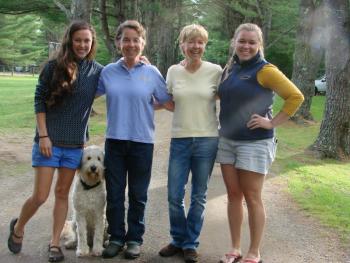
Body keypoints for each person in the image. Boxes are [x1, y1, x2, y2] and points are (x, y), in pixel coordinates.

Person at [7, 21, 103, 262]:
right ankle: (18, 227)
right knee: (40, 196)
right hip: (48, 142)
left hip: (75, 145)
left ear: (92, 44)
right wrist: (43, 135)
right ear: (70, 40)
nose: (82, 45)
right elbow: (39, 100)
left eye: (87, 41)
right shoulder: (53, 67)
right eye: (78, 40)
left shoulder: (98, 71)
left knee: (62, 193)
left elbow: (122, 74)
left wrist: (141, 62)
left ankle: (54, 244)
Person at [216, 23, 304, 263]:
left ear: (259, 45)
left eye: (251, 42)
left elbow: (296, 96)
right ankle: (234, 248)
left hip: (254, 144)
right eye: (242, 41)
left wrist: (272, 122)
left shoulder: (265, 70)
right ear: (234, 42)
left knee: (252, 197)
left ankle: (254, 252)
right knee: (234, 195)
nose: (246, 46)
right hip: (227, 141)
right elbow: (220, 95)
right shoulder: (230, 69)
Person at [96, 20, 172, 260]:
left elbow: (167, 102)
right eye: (125, 39)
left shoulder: (152, 73)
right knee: (115, 193)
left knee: (138, 194)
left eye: (135, 40)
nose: (130, 44)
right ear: (118, 42)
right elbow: (87, 95)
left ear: (143, 43)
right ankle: (117, 237)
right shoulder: (107, 72)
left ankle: (134, 240)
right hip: (115, 142)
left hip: (142, 143)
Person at [158, 24, 222, 263]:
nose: (196, 46)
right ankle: (177, 239)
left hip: (207, 140)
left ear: (204, 45)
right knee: (174, 194)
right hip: (180, 141)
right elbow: (167, 100)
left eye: (200, 42)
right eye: (191, 42)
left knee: (198, 196)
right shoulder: (173, 71)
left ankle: (190, 243)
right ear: (182, 44)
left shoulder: (216, 71)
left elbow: (231, 95)